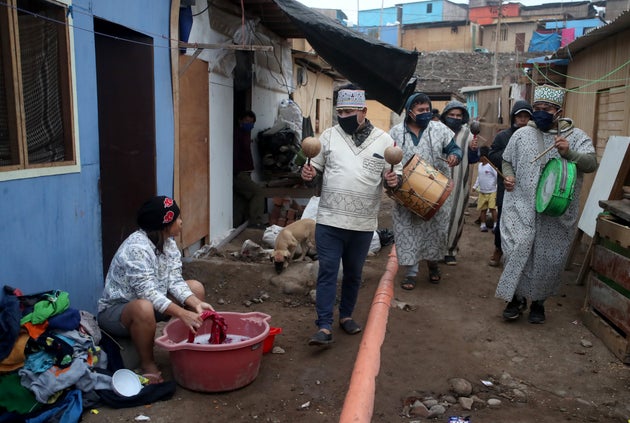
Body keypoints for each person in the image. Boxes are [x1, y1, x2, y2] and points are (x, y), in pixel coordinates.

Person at [300, 87, 401, 346]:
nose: (342, 116)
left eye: (348, 112)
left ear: (363, 112)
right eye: (339, 112)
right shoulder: (329, 136)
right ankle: (323, 325)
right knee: (328, 272)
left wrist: (393, 180)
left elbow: (395, 178)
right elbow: (316, 169)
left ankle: (345, 316)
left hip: (363, 222)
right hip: (330, 221)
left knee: (354, 273)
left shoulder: (384, 141)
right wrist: (308, 174)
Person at [496, 85, 597, 323]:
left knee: (547, 258)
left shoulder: (576, 137)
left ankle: (539, 303)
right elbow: (507, 161)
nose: (541, 112)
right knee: (515, 250)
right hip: (521, 207)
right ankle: (516, 298)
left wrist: (569, 153)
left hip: (557, 213)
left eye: (547, 109)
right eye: (537, 108)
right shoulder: (521, 135)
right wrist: (508, 177)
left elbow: (591, 164)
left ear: (558, 111)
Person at [98, 196, 214, 382]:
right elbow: (147, 293)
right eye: (176, 218)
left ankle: (188, 349)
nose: (181, 222)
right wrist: (182, 314)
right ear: (164, 224)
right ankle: (147, 364)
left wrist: (196, 303)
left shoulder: (168, 243)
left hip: (152, 304)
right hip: (118, 312)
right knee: (143, 307)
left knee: (195, 289)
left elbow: (175, 281)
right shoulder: (137, 248)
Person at [389, 93, 461, 290]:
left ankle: (433, 264)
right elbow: (387, 160)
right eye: (421, 110)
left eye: (428, 110)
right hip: (407, 193)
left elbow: (455, 148)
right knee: (409, 231)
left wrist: (455, 155)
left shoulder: (440, 129)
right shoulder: (395, 133)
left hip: (436, 192)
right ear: (410, 112)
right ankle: (411, 273)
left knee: (435, 231)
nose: (425, 113)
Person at [486, 100, 533, 266]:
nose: (522, 119)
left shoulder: (535, 137)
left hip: (528, 186)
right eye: (519, 116)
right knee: (503, 219)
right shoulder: (503, 136)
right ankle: (498, 249)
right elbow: (492, 155)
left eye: (526, 116)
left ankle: (520, 256)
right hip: (506, 185)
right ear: (514, 117)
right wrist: (510, 159)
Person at [440, 100, 479, 265]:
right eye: (452, 115)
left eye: (458, 115)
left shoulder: (468, 134)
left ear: (463, 117)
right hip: (437, 179)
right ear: (445, 116)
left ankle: (450, 250)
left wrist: (473, 149)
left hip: (459, 182)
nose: (455, 118)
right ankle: (433, 249)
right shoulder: (437, 130)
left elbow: (473, 160)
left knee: (456, 216)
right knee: (436, 216)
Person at [233, 110, 266, 229]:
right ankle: (255, 221)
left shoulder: (246, 134)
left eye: (252, 122)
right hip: (239, 174)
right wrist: (236, 172)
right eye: (247, 121)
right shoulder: (237, 135)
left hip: (245, 173)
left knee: (240, 201)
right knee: (258, 192)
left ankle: (237, 226)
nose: (250, 124)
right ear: (240, 120)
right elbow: (234, 154)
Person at [472, 155, 497, 232]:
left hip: (492, 191)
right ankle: (483, 225)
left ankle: (495, 225)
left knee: (493, 209)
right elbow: (479, 177)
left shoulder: (491, 166)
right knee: (483, 209)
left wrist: (496, 187)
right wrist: (475, 186)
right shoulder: (480, 165)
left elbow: (496, 176)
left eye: (481, 156)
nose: (479, 157)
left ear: (485, 157)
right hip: (482, 192)